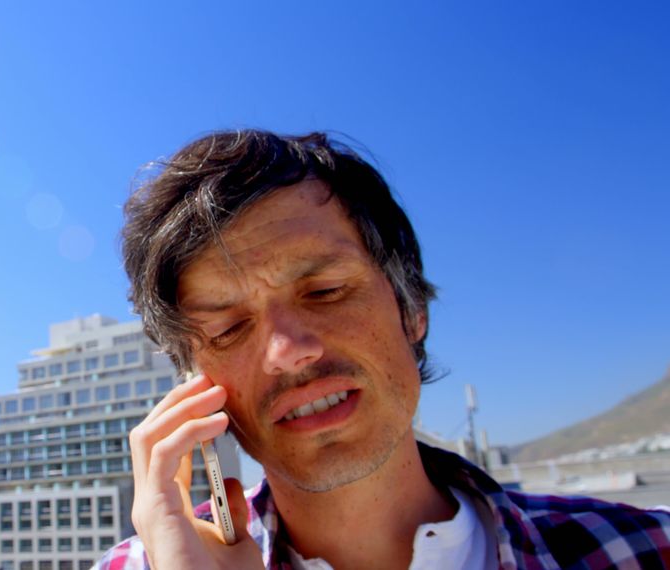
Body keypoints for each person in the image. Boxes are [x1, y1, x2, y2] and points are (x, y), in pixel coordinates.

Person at [95, 130, 670, 569]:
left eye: (326, 291)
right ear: (194, 382)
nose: (288, 350)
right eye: (227, 330)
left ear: (412, 307)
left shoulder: (642, 550)